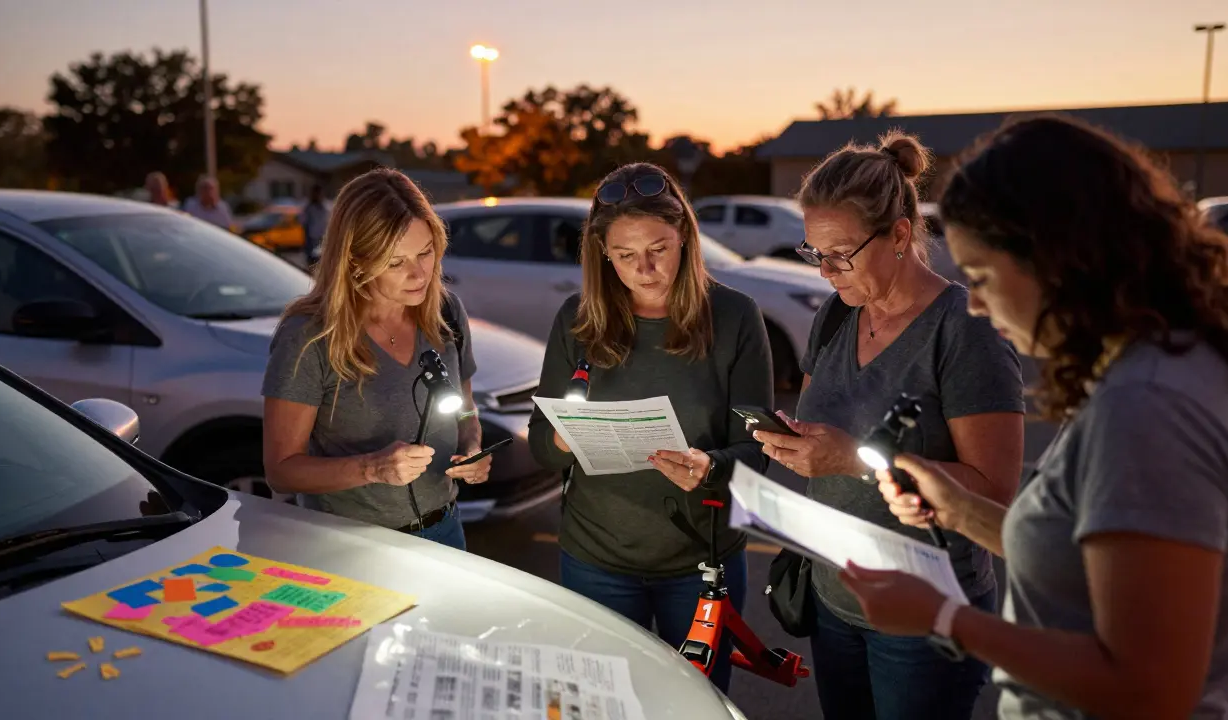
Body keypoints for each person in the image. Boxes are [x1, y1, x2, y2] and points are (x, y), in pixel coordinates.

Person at [842, 114, 1228, 720]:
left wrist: (941, 616)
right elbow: (1091, 569)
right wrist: (959, 510)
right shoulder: (1179, 362)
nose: (978, 306)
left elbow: (1149, 690)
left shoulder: (1148, 410)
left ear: (1059, 257)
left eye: (982, 277)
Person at [753, 132, 1026, 720]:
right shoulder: (837, 313)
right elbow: (816, 423)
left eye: (840, 254)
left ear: (900, 235)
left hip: (925, 618)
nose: (825, 273)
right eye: (813, 253)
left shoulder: (964, 332)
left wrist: (853, 459)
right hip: (834, 596)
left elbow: (997, 494)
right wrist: (793, 442)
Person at [528, 162, 774, 694]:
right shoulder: (578, 319)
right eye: (624, 256)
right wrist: (561, 439)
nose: (644, 269)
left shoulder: (734, 317)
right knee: (605, 700)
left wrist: (712, 465)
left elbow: (760, 447)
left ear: (685, 234)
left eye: (658, 249)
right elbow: (540, 449)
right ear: (601, 254)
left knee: (696, 701)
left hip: (703, 563)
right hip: (596, 558)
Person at [260, 168, 491, 550]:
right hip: (352, 547)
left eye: (426, 252)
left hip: (446, 532)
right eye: (395, 262)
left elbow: (465, 409)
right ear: (355, 262)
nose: (419, 274)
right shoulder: (310, 337)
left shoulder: (446, 312)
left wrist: (472, 446)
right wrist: (373, 468)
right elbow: (281, 471)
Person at [299, 183, 331, 265]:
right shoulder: (308, 207)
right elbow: (302, 221)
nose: (318, 196)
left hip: (324, 239)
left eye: (319, 193)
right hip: (312, 240)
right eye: (316, 193)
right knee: (312, 262)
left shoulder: (326, 207)